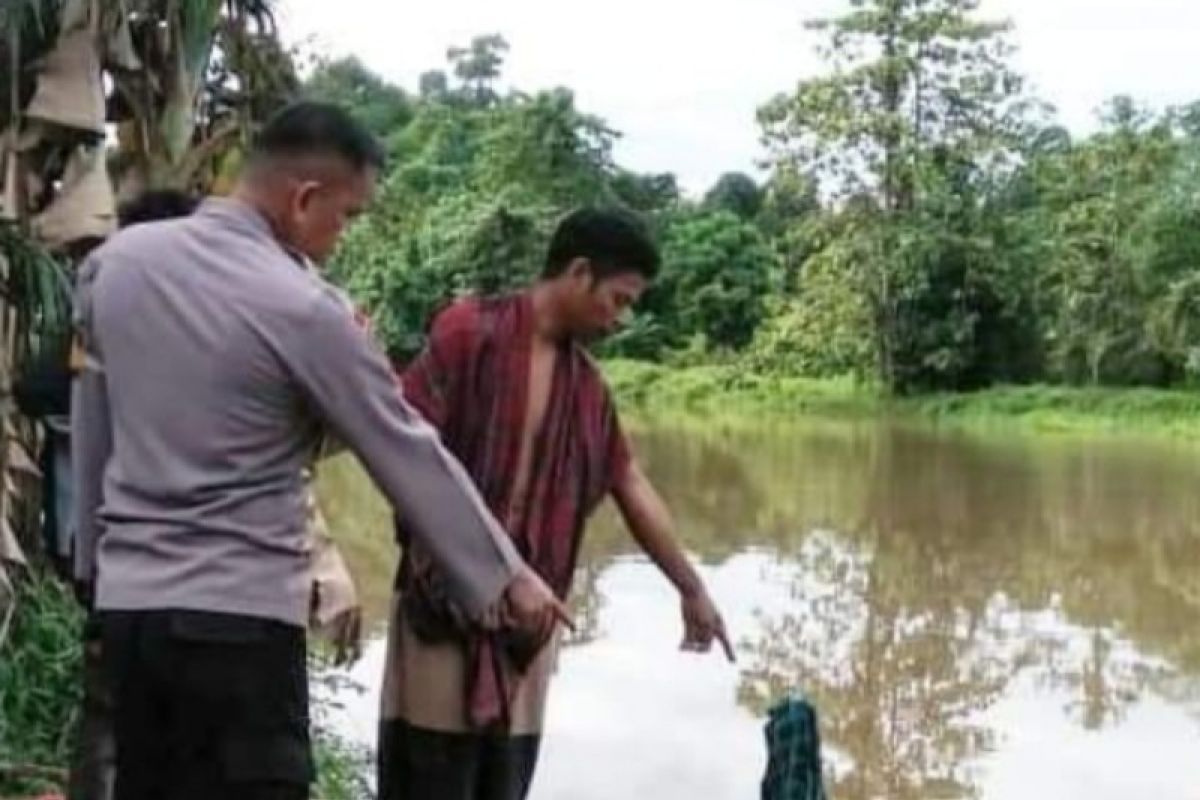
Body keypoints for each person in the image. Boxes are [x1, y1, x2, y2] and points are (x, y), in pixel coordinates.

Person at [71, 102, 567, 800]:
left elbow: (95, 417)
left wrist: (93, 567)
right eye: (348, 215)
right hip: (238, 630)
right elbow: (403, 448)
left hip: (130, 620)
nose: (340, 238)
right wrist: (509, 577)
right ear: (305, 197)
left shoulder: (113, 267)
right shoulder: (304, 307)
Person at [378, 207, 734, 800]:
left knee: (504, 782)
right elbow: (403, 452)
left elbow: (629, 482)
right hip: (440, 605)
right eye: (618, 300)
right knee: (429, 776)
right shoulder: (468, 333)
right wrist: (482, 568)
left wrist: (692, 588)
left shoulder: (587, 387)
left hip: (530, 624)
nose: (620, 319)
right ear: (578, 272)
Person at [65, 188, 365, 800]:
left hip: (131, 600)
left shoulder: (111, 317)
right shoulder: (245, 331)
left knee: (136, 762)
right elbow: (309, 451)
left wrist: (93, 576)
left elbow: (89, 452)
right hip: (237, 613)